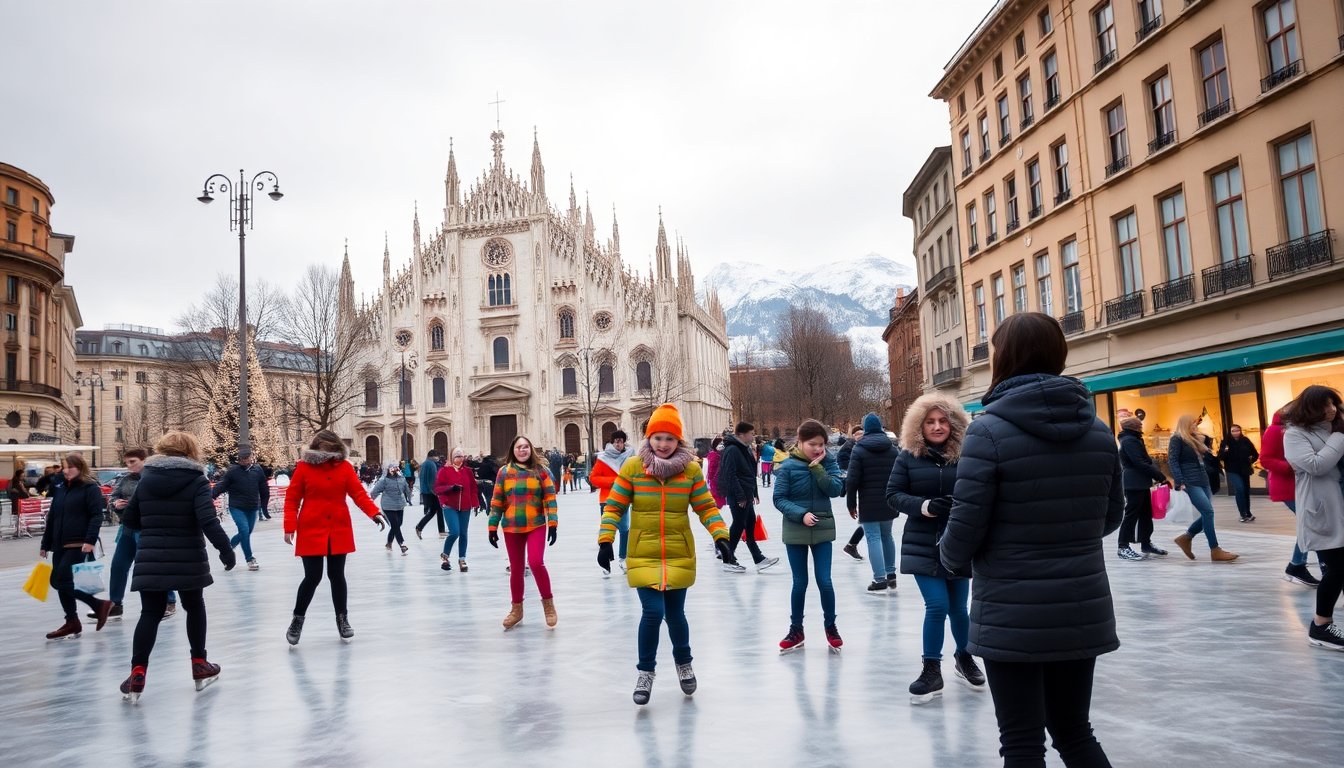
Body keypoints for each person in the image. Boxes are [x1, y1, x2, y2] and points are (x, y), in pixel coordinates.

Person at [938, 312, 1122, 767]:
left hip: (1012, 606)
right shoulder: (1098, 431)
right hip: (1081, 602)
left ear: (1005, 358)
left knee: (1021, 742)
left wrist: (950, 557)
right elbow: (1111, 515)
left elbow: (966, 522)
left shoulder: (988, 430)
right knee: (1075, 731)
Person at [598, 404, 736, 704]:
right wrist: (606, 539)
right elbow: (615, 505)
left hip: (678, 553)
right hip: (643, 553)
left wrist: (721, 536)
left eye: (669, 439)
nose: (663, 444)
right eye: (658, 438)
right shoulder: (634, 467)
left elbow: (706, 507)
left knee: (675, 615)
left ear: (678, 441)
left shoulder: (690, 471)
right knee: (653, 612)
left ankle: (684, 663)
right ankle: (645, 672)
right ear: (649, 438)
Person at [117, 431, 236, 702]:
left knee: (150, 613)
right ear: (190, 452)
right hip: (188, 556)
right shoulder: (196, 480)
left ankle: (138, 671)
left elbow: (131, 519)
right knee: (194, 606)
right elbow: (208, 520)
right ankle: (199, 664)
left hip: (151, 556)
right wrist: (226, 550)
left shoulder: (146, 479)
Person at [887, 392, 983, 703]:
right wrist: (926, 505)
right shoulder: (907, 457)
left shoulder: (968, 455)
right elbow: (893, 495)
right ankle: (931, 669)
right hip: (922, 543)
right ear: (919, 425)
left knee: (959, 608)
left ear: (954, 423)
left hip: (960, 541)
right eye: (930, 421)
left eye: (943, 421)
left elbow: (981, 490)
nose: (938, 426)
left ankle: (964, 656)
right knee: (938, 605)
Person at [282, 430, 386, 645]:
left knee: (337, 576)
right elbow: (292, 499)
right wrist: (289, 527)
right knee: (312, 577)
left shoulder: (345, 468)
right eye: (325, 450)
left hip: (338, 529)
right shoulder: (304, 468)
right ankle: (297, 619)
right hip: (311, 528)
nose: (329, 454)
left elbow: (358, 494)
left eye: (332, 449)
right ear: (317, 448)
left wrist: (373, 512)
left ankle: (342, 619)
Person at [773, 419, 845, 654]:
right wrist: (801, 514)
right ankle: (796, 629)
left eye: (821, 444)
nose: (818, 449)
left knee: (825, 581)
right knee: (799, 583)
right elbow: (779, 498)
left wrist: (817, 467)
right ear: (800, 441)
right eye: (812, 444)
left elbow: (835, 490)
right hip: (796, 528)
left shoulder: (828, 461)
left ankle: (831, 626)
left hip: (823, 528)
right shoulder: (788, 467)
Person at [1282, 385, 1344, 652]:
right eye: (1325, 405)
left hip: (1341, 503)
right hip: (1323, 509)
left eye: (1334, 404)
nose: (1331, 410)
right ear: (1310, 407)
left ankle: (1322, 624)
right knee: (1338, 568)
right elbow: (1316, 466)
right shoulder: (1295, 434)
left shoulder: (1335, 428)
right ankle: (1320, 624)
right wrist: (1340, 437)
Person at [38, 454, 114, 639]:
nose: (66, 471)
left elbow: (97, 515)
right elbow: (53, 517)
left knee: (63, 579)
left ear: (80, 467)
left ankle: (95, 607)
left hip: (78, 542)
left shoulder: (89, 488)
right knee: (57, 581)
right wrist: (45, 543)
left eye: (70, 467)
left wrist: (90, 540)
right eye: (63, 467)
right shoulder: (61, 488)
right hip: (59, 543)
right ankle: (73, 620)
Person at [488, 435, 559, 630]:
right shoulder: (504, 472)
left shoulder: (540, 471)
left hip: (535, 524)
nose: (522, 450)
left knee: (536, 562)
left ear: (531, 450)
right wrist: (492, 527)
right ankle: (516, 609)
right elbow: (497, 501)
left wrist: (552, 523)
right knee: (516, 569)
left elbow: (550, 498)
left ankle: (548, 605)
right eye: (519, 447)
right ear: (513, 450)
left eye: (526, 446)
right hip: (511, 526)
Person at [101, 449, 178, 621]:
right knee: (118, 565)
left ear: (144, 460)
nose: (129, 466)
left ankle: (169, 600)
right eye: (127, 462)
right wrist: (115, 503)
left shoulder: (153, 478)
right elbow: (112, 497)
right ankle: (115, 603)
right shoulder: (125, 479)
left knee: (152, 566)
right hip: (127, 528)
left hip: (147, 529)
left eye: (133, 462)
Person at [1260, 406, 1320, 586]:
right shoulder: (1275, 430)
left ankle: (1297, 565)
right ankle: (1303, 565)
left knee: (1309, 524)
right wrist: (1291, 466)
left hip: (1300, 484)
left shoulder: (1299, 429)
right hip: (1288, 485)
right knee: (1311, 523)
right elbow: (1266, 459)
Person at [1170, 414, 1238, 562]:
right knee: (1208, 512)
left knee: (1207, 513)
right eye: (1193, 424)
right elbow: (1173, 460)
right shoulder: (1177, 439)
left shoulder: (1195, 439)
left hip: (1203, 478)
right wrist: (1179, 481)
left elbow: (1207, 457)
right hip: (1190, 481)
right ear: (1185, 424)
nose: (1195, 426)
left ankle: (1186, 538)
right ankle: (1215, 550)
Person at [845, 413, 899, 594]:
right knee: (887, 536)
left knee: (873, 538)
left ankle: (879, 579)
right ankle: (891, 574)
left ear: (865, 429)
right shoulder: (892, 450)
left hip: (868, 501)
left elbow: (852, 480)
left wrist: (851, 503)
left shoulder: (859, 450)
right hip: (889, 500)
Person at [718, 422, 778, 573]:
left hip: (746, 494)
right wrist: (740, 496)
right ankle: (728, 558)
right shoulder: (732, 450)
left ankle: (758, 558)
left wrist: (754, 493)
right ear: (741, 435)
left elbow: (749, 473)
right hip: (738, 495)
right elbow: (730, 475)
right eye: (751, 433)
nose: (753, 436)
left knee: (749, 523)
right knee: (738, 525)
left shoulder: (743, 449)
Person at [1116, 417, 1170, 561]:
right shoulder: (1129, 440)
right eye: (1139, 424)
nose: (1141, 426)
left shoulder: (1134, 439)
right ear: (1133, 427)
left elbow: (1143, 461)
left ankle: (1146, 543)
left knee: (1146, 513)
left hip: (1140, 481)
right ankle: (1123, 546)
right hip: (1134, 482)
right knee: (1131, 514)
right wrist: (1159, 475)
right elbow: (1139, 462)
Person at [210, 447, 270, 572]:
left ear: (251, 458)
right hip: (237, 507)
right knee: (244, 530)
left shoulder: (257, 470)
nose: (244, 461)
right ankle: (250, 559)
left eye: (246, 458)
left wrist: (264, 508)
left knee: (246, 533)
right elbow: (222, 484)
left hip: (253, 507)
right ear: (239, 460)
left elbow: (264, 489)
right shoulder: (233, 471)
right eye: (241, 459)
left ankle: (228, 551)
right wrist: (211, 496)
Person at [588, 431, 637, 576]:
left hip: (623, 499)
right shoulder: (603, 458)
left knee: (624, 529)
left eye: (620, 441)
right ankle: (605, 561)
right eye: (616, 441)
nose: (618, 444)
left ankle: (623, 558)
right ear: (611, 442)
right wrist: (613, 482)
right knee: (607, 530)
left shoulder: (630, 457)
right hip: (607, 499)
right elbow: (594, 478)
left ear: (624, 443)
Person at [434, 448, 479, 572]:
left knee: (463, 533)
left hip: (465, 506)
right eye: (457, 457)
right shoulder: (444, 471)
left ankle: (462, 559)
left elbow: (473, 488)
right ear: (452, 458)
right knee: (455, 532)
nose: (460, 459)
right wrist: (450, 489)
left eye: (461, 456)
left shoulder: (468, 471)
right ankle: (445, 555)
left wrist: (475, 503)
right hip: (450, 506)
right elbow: (438, 488)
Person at [839, 424, 869, 561]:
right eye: (857, 434)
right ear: (853, 436)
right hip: (861, 488)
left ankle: (852, 545)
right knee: (870, 522)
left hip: (868, 486)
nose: (860, 436)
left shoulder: (865, 447)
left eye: (862, 434)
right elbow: (842, 462)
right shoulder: (848, 447)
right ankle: (852, 545)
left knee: (873, 522)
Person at [369, 462, 413, 555]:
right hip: (388, 505)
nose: (395, 470)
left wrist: (409, 499)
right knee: (395, 524)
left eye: (396, 468)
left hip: (400, 504)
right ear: (389, 470)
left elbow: (406, 489)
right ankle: (402, 544)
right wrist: (369, 503)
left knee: (398, 524)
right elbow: (374, 492)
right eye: (393, 468)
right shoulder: (384, 480)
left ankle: (389, 543)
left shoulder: (402, 478)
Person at [1219, 425, 1259, 523]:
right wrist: (1225, 451)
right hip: (1232, 470)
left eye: (1238, 430)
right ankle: (1243, 514)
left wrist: (1251, 460)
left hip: (1245, 470)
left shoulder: (1245, 441)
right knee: (1240, 488)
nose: (1236, 432)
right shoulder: (1226, 442)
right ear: (1230, 432)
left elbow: (1255, 454)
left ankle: (1248, 513)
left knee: (1245, 491)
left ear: (1240, 431)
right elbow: (1220, 457)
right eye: (1233, 431)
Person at [414, 450, 444, 539]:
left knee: (436, 510)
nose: (437, 458)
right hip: (431, 492)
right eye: (436, 456)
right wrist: (435, 491)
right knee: (434, 511)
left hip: (426, 491)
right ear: (433, 456)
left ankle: (441, 530)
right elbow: (433, 480)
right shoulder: (431, 464)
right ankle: (420, 527)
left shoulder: (424, 464)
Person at [705, 436, 726, 508]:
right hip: (716, 482)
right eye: (720, 443)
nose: (722, 445)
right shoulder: (715, 455)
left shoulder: (716, 454)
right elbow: (711, 470)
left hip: (716, 481)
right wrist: (711, 480)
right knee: (718, 503)